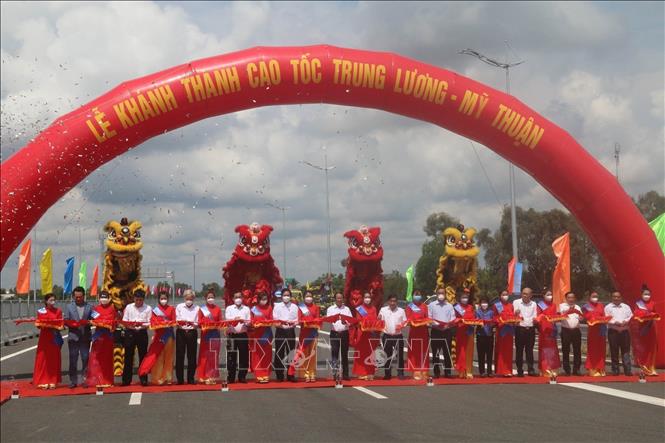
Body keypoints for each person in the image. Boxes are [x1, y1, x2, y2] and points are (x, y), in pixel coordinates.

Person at [140, 290, 176, 385]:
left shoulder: (172, 309)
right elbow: (152, 321)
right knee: (159, 357)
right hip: (159, 336)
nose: (163, 300)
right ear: (159, 299)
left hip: (169, 336)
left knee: (169, 357)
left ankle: (168, 378)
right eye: (161, 298)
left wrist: (167, 323)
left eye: (165, 298)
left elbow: (174, 321)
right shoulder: (155, 310)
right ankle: (157, 378)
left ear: (167, 299)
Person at [86, 291, 118, 387]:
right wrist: (97, 322)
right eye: (102, 297)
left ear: (109, 298)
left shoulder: (112, 309)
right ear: (99, 298)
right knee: (96, 359)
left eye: (105, 297)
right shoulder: (95, 309)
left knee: (107, 359)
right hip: (98, 337)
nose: (103, 299)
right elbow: (92, 320)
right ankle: (97, 380)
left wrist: (110, 324)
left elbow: (115, 322)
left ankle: (108, 381)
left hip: (108, 337)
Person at [33, 293, 64, 389]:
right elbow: (38, 324)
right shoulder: (40, 311)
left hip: (54, 337)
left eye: (54, 300)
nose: (52, 302)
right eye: (50, 300)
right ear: (46, 301)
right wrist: (42, 324)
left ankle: (53, 380)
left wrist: (54, 326)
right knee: (43, 359)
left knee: (53, 359)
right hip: (44, 338)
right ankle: (42, 381)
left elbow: (61, 325)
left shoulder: (58, 311)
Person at [64, 286, 93, 388]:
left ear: (84, 296)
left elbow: (94, 319)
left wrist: (89, 322)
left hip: (85, 337)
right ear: (73, 297)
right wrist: (72, 324)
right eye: (76, 297)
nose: (78, 299)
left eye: (80, 297)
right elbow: (66, 320)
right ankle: (73, 381)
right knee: (73, 359)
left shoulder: (89, 306)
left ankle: (85, 380)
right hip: (73, 337)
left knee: (85, 359)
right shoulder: (69, 307)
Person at [121, 289, 151, 386]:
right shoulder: (129, 307)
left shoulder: (148, 308)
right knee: (128, 357)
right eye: (137, 299)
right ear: (134, 298)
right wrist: (131, 325)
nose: (138, 302)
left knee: (143, 357)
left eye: (140, 300)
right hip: (130, 332)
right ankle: (126, 380)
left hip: (142, 332)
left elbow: (150, 322)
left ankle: (143, 378)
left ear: (143, 299)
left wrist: (142, 325)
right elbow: (125, 320)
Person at [290, 291, 320, 382]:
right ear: (304, 297)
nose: (309, 298)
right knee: (303, 354)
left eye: (310, 296)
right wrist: (304, 322)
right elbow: (299, 319)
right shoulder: (301, 308)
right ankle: (304, 374)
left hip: (313, 333)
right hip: (304, 333)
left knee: (312, 354)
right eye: (307, 296)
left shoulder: (316, 308)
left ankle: (312, 373)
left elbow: (318, 319)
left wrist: (314, 323)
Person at [196, 289, 223, 384]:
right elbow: (199, 322)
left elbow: (221, 323)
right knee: (205, 356)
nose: (211, 299)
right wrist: (205, 323)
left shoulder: (218, 309)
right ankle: (204, 376)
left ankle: (212, 376)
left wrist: (215, 325)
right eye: (209, 297)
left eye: (212, 297)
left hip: (215, 334)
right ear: (205, 299)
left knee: (214, 356)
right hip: (206, 335)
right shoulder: (202, 309)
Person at [428, 288, 456, 378]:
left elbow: (453, 318)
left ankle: (448, 372)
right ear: (436, 294)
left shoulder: (449, 306)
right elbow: (429, 318)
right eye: (439, 293)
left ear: (445, 294)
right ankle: (436, 372)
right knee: (436, 353)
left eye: (442, 293)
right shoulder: (431, 305)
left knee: (447, 353)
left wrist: (447, 326)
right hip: (436, 331)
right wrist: (436, 325)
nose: (441, 294)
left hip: (447, 331)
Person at [272, 288, 299, 382]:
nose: (286, 297)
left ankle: (290, 374)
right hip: (280, 331)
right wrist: (279, 324)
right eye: (284, 295)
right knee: (279, 353)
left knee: (290, 353)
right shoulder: (277, 306)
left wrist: (293, 323)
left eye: (288, 295)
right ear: (281, 296)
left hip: (290, 331)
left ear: (290, 297)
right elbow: (275, 319)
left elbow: (297, 319)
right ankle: (279, 375)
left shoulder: (295, 307)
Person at [631, 285, 658, 376]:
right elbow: (636, 313)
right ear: (641, 294)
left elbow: (655, 313)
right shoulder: (638, 303)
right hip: (642, 327)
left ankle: (652, 367)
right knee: (644, 347)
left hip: (651, 327)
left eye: (648, 294)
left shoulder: (653, 303)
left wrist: (652, 315)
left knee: (652, 347)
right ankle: (644, 367)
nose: (647, 296)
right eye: (645, 294)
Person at [378, 294, 407, 380]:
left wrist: (401, 325)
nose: (393, 303)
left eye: (394, 301)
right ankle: (387, 374)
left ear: (396, 302)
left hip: (398, 336)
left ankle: (401, 372)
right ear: (388, 301)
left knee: (400, 355)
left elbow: (405, 321)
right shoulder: (383, 310)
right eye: (391, 301)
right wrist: (378, 319)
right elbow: (379, 321)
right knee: (387, 355)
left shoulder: (401, 310)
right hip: (387, 335)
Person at [604, 291, 633, 376]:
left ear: (621, 297)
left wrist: (626, 321)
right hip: (613, 331)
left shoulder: (626, 307)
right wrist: (614, 322)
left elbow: (631, 316)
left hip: (625, 331)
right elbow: (606, 317)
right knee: (614, 351)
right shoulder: (608, 307)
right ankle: (615, 370)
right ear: (612, 297)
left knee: (626, 351)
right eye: (614, 297)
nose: (616, 298)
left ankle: (627, 370)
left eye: (618, 297)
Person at [352, 292, 379, 380]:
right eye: (366, 297)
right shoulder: (360, 309)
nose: (367, 299)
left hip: (371, 334)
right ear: (363, 298)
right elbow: (358, 320)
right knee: (362, 353)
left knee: (371, 353)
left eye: (369, 297)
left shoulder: (374, 308)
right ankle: (361, 373)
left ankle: (370, 372)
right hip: (362, 334)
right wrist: (364, 325)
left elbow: (375, 320)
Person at [175, 289, 200, 385]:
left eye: (191, 298)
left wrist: (193, 325)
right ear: (184, 298)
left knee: (192, 356)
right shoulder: (179, 307)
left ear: (193, 298)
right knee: (180, 356)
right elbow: (177, 319)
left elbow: (198, 321)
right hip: (181, 332)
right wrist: (183, 324)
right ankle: (180, 379)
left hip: (192, 332)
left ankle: (191, 378)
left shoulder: (197, 308)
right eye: (187, 298)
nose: (189, 300)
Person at [326, 292, 352, 380]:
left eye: (341, 298)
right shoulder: (330, 309)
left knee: (344, 354)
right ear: (335, 299)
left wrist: (346, 322)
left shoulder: (347, 309)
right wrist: (334, 318)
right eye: (338, 298)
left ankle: (345, 374)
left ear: (343, 299)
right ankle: (335, 373)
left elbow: (350, 320)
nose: (339, 300)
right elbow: (328, 319)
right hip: (334, 333)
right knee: (334, 354)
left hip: (344, 333)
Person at [226, 292, 251, 383]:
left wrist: (244, 321)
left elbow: (249, 321)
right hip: (232, 335)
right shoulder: (229, 308)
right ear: (233, 298)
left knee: (244, 356)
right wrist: (235, 319)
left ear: (242, 298)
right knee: (231, 356)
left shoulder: (246, 309)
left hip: (243, 335)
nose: (238, 299)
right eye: (236, 297)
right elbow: (228, 320)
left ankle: (242, 376)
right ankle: (231, 377)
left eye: (240, 297)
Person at [535, 290, 561, 377]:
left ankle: (553, 367)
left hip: (552, 328)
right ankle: (545, 368)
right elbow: (538, 317)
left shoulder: (554, 305)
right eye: (548, 294)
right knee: (545, 349)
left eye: (551, 294)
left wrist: (558, 317)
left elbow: (556, 315)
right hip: (544, 329)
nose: (550, 296)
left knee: (553, 349)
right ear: (543, 295)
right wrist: (542, 319)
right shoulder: (540, 305)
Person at [250, 292, 274, 383]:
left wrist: (267, 322)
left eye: (265, 299)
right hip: (257, 334)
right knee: (258, 355)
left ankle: (266, 374)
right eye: (262, 299)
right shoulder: (254, 309)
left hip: (267, 334)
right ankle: (258, 374)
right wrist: (255, 324)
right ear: (258, 299)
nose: (264, 301)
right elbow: (251, 321)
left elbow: (272, 319)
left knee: (267, 354)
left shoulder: (269, 308)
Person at [513, 287, 538, 377]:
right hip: (520, 329)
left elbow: (535, 315)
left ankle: (531, 369)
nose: (525, 295)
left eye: (527, 294)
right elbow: (513, 314)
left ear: (531, 295)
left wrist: (536, 321)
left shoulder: (534, 304)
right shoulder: (516, 302)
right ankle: (520, 370)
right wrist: (516, 313)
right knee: (519, 350)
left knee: (529, 350)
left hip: (530, 329)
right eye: (523, 293)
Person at [582, 291, 607, 376]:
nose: (595, 297)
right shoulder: (586, 306)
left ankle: (600, 368)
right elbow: (585, 317)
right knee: (592, 349)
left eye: (596, 296)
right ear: (589, 297)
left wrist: (602, 319)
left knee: (601, 349)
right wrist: (593, 318)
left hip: (601, 329)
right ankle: (592, 368)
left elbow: (603, 315)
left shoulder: (601, 305)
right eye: (593, 296)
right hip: (592, 330)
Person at [406, 291, 430, 380]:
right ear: (412, 296)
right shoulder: (409, 306)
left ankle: (424, 370)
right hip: (414, 332)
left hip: (423, 332)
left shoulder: (424, 306)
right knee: (415, 351)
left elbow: (427, 317)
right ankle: (415, 370)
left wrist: (426, 322)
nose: (417, 296)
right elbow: (408, 318)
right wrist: (414, 321)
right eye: (416, 294)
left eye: (419, 294)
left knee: (424, 351)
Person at [559, 291, 583, 376]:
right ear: (566, 298)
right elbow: (560, 315)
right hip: (566, 330)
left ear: (575, 298)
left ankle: (576, 369)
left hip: (576, 331)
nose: (571, 299)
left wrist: (581, 318)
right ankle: (567, 369)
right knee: (566, 350)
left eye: (572, 297)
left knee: (577, 350)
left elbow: (581, 317)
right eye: (569, 297)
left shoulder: (578, 307)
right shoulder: (562, 306)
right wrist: (568, 311)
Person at [454, 289, 476, 379]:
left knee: (469, 351)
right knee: (461, 351)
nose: (465, 298)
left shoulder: (471, 307)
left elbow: (474, 318)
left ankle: (469, 371)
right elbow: (453, 319)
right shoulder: (456, 307)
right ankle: (461, 370)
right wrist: (459, 320)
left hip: (469, 331)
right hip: (460, 331)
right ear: (459, 298)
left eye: (466, 297)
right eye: (463, 297)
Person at [493, 290, 515, 377]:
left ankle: (508, 370)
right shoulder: (497, 305)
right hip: (501, 330)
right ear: (500, 296)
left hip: (509, 330)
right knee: (501, 350)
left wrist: (514, 318)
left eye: (506, 294)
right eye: (503, 294)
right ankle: (500, 370)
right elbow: (494, 317)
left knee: (509, 350)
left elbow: (513, 317)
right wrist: (501, 321)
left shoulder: (511, 305)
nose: (505, 296)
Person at [475, 296, 495, 377]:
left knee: (489, 354)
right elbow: (475, 320)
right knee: (481, 354)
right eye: (482, 302)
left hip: (489, 335)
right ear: (480, 304)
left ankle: (490, 371)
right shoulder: (477, 312)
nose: (484, 304)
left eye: (485, 302)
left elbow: (494, 321)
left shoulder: (491, 312)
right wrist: (479, 323)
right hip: (480, 335)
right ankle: (482, 371)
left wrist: (493, 325)